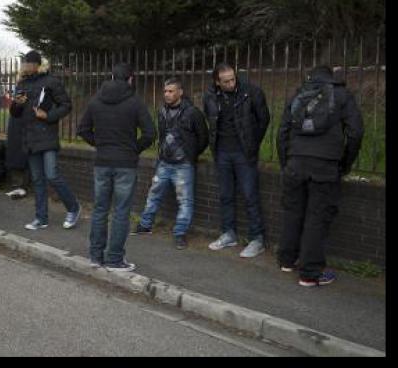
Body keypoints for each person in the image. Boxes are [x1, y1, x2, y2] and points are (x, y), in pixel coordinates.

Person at [277, 65, 364, 287]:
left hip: (295, 162)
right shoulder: (342, 95)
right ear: (331, 77)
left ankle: (287, 260)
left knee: (292, 211)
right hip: (325, 165)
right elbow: (356, 132)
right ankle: (309, 273)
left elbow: (282, 132)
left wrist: (285, 162)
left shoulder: (298, 95)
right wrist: (344, 163)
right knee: (317, 218)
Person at [78, 63, 156, 272]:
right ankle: (114, 259)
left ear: (112, 77)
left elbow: (82, 129)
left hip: (102, 162)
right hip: (125, 164)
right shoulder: (135, 103)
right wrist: (133, 149)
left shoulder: (95, 101)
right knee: (121, 212)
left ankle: (95, 256)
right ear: (130, 79)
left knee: (100, 209)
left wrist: (99, 144)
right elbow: (150, 133)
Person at [203, 63, 270, 258]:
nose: (231, 83)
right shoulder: (210, 96)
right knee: (225, 195)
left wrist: (252, 142)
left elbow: (263, 119)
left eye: (233, 79)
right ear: (217, 82)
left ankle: (257, 239)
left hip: (243, 153)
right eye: (226, 81)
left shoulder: (252, 92)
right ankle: (228, 233)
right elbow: (211, 120)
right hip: (222, 151)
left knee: (250, 195)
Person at [132, 78, 208, 250]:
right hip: (164, 162)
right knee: (154, 194)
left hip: (183, 164)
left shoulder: (193, 113)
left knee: (185, 200)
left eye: (171, 91)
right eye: (165, 91)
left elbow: (203, 137)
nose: (167, 94)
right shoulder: (162, 111)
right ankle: (145, 225)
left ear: (180, 92)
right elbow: (162, 134)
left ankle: (180, 233)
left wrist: (191, 154)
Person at [10, 51, 81, 231]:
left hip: (47, 135)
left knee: (52, 175)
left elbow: (66, 105)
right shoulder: (22, 83)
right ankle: (41, 218)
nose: (25, 66)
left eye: (28, 63)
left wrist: (48, 115)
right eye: (24, 63)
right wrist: (17, 103)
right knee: (38, 180)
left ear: (37, 64)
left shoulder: (51, 82)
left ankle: (73, 208)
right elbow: (15, 113)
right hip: (29, 138)